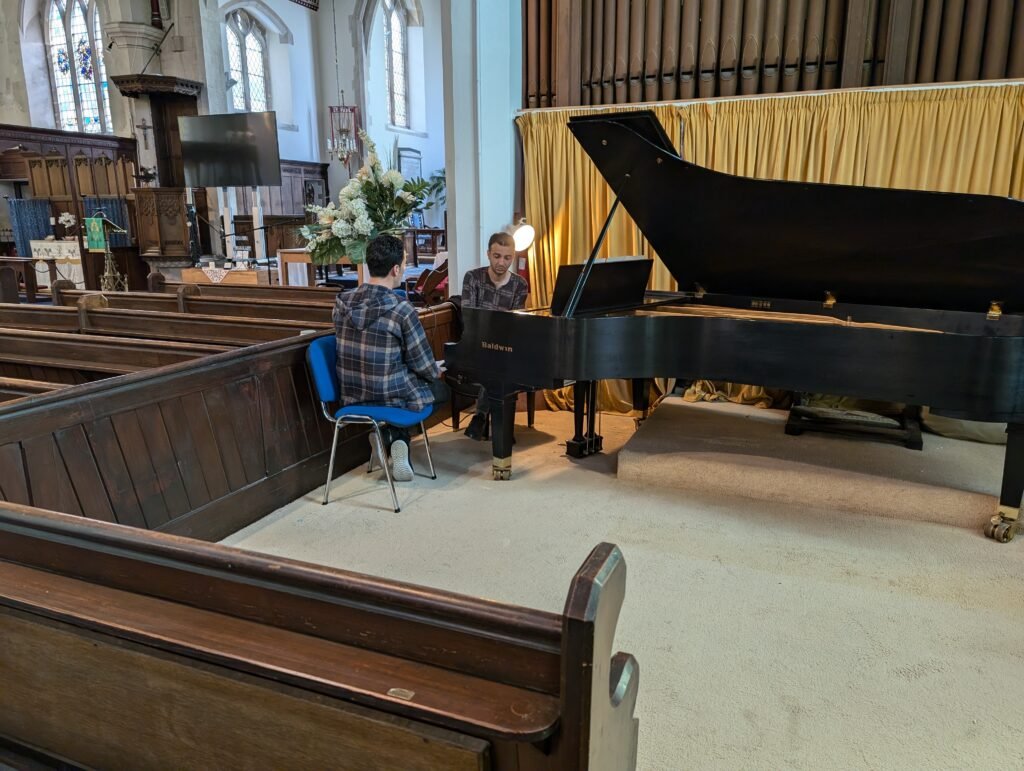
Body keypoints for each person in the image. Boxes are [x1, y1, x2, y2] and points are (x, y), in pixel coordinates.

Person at [333, 234, 448, 481]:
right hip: (390, 395)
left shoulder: (341, 302)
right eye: (404, 264)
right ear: (396, 269)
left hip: (353, 395)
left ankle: (385, 438)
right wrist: (435, 371)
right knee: (440, 390)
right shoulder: (401, 309)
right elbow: (421, 362)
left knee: (403, 384)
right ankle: (391, 438)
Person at [460, 231, 529, 440]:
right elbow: (469, 316)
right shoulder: (473, 277)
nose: (501, 262)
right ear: (488, 254)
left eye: (507, 257)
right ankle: (501, 425)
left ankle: (480, 416)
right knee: (497, 364)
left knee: (501, 362)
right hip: (474, 342)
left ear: (513, 257)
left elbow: (515, 323)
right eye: (497, 256)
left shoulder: (520, 285)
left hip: (505, 345)